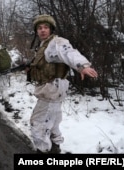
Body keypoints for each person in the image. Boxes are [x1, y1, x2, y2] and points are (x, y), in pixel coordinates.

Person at [28, 14, 98, 153]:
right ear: (36, 31)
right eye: (40, 28)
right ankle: (55, 146)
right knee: (53, 121)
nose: (42, 30)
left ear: (51, 29)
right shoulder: (43, 45)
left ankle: (43, 152)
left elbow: (69, 53)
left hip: (51, 89)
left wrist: (82, 66)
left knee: (38, 123)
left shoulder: (56, 42)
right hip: (53, 89)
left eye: (46, 27)